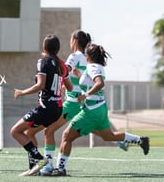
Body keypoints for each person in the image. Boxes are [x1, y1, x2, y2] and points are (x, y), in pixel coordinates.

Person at [51, 43, 150, 176]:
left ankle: (60, 169)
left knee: (66, 136)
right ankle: (141, 140)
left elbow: (99, 83)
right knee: (108, 136)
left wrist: (85, 95)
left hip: (92, 111)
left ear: (88, 56)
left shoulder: (92, 67)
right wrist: (80, 76)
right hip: (100, 108)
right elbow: (92, 83)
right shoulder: (96, 67)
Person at [39, 30, 128, 175]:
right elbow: (78, 78)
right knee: (89, 128)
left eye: (70, 39)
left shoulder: (74, 56)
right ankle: (116, 139)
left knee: (48, 130)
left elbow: (64, 71)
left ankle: (48, 166)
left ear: (74, 41)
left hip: (72, 102)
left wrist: (48, 71)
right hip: (81, 101)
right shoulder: (88, 59)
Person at [10, 34, 73, 176]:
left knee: (15, 131)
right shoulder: (62, 65)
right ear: (58, 49)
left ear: (44, 47)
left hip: (45, 109)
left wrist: (21, 92)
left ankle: (39, 159)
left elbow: (40, 85)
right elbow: (70, 87)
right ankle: (33, 168)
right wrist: (58, 88)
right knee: (29, 133)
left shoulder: (43, 62)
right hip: (57, 109)